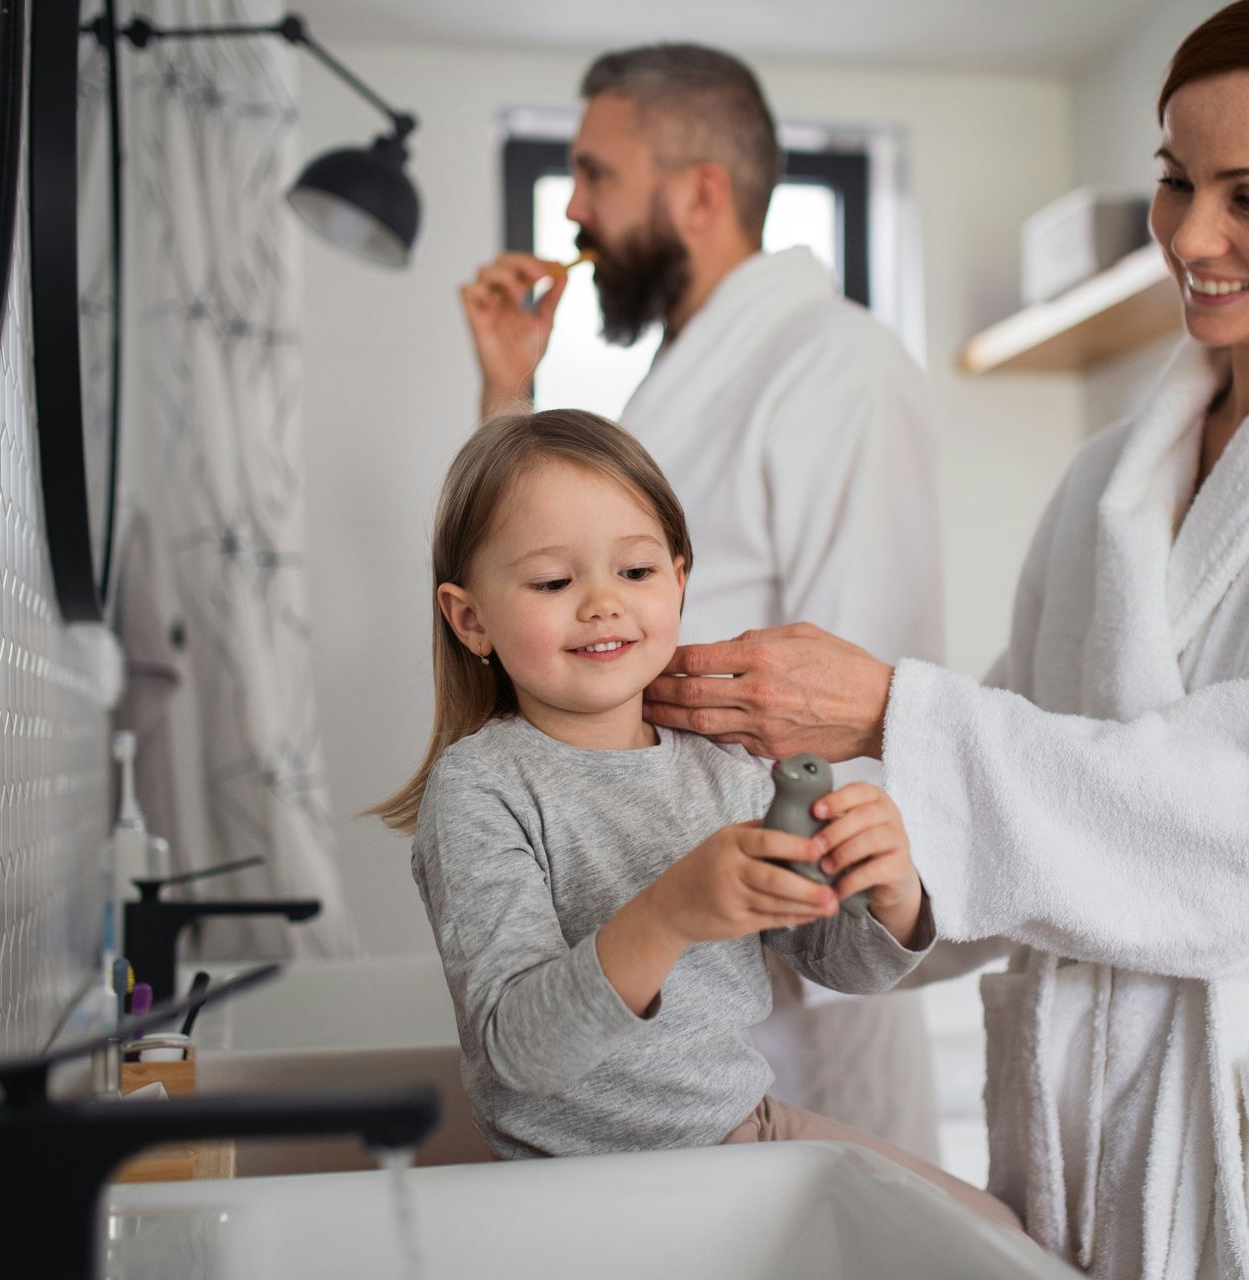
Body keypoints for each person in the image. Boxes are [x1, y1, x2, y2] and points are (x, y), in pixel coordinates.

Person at [643, 3, 1249, 1276]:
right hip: (1079, 1118)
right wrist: (895, 875)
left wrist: (891, 714)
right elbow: (1021, 811)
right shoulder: (1108, 483)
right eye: (1175, 181)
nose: (1192, 236)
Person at [458, 43, 947, 1157]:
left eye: (597, 172)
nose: (573, 205)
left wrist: (842, 903)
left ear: (702, 192)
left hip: (794, 971)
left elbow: (856, 687)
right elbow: (525, 557)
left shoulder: (837, 366)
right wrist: (507, 390)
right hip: (646, 989)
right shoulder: (686, 377)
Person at [371, 410, 1020, 1232]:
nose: (603, 604)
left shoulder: (721, 765)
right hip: (567, 1192)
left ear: (679, 578)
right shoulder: (480, 790)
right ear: (471, 620)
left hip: (737, 1135)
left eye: (635, 570)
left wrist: (890, 893)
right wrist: (671, 911)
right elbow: (519, 1052)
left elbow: (835, 963)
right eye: (552, 583)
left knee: (993, 1240)